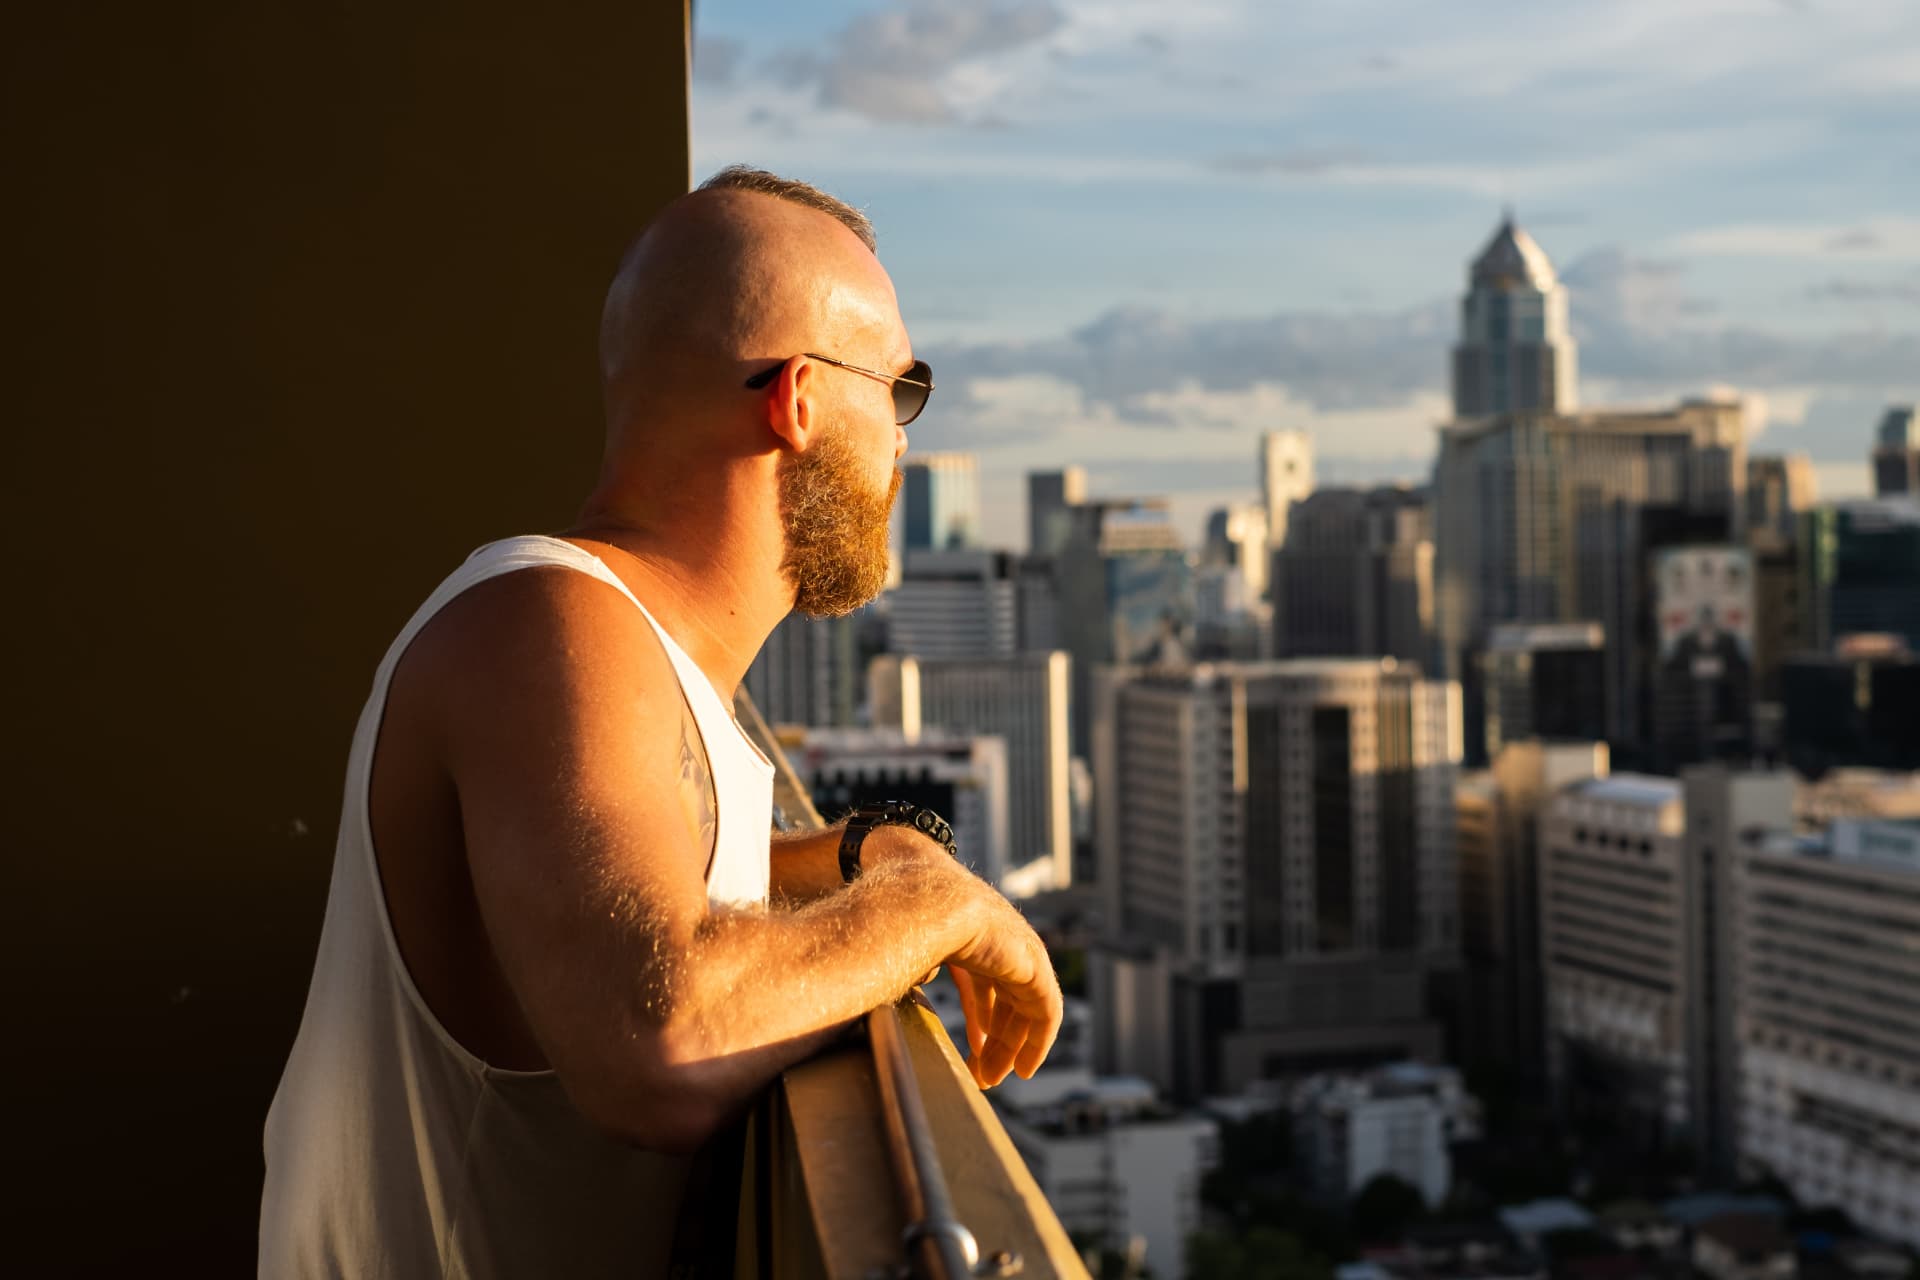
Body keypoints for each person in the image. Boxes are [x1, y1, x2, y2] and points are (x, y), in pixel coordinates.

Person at [258, 166, 1064, 1277]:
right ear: (800, 399)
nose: (905, 442)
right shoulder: (547, 620)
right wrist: (931, 907)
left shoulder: (624, 653)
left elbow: (642, 879)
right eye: (903, 388)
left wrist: (846, 854)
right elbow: (665, 1036)